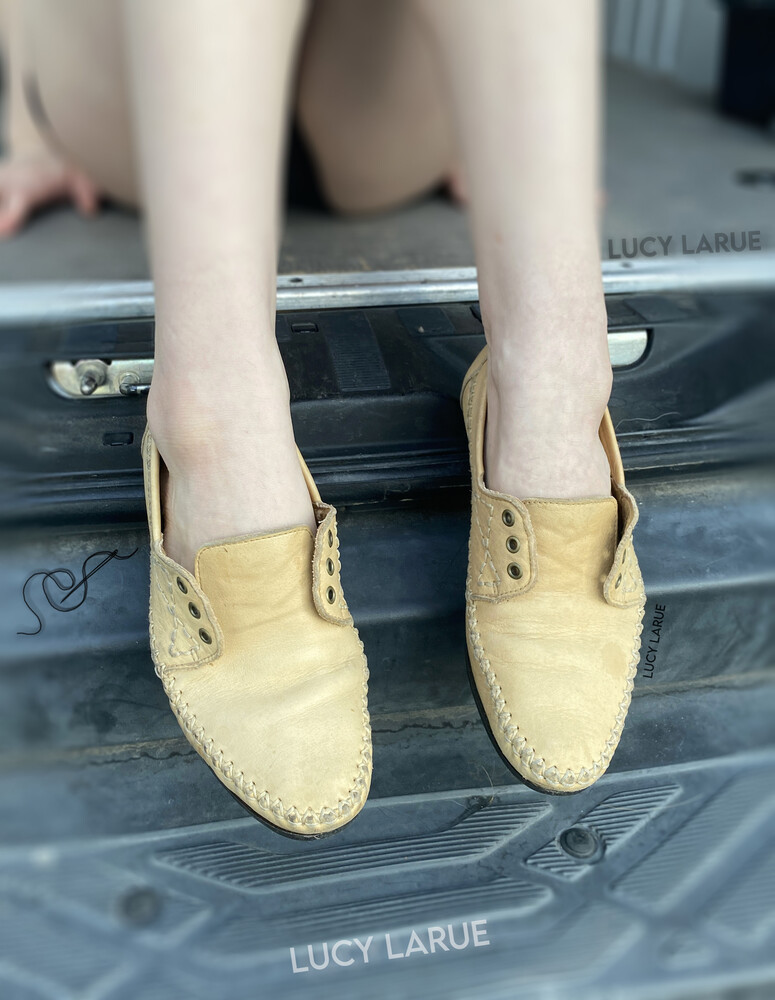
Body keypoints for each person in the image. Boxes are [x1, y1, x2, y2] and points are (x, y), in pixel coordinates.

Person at [0, 0, 646, 836]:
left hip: (366, 112)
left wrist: (508, 125)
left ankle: (554, 377)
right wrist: (22, 115)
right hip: (150, 97)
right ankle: (217, 415)